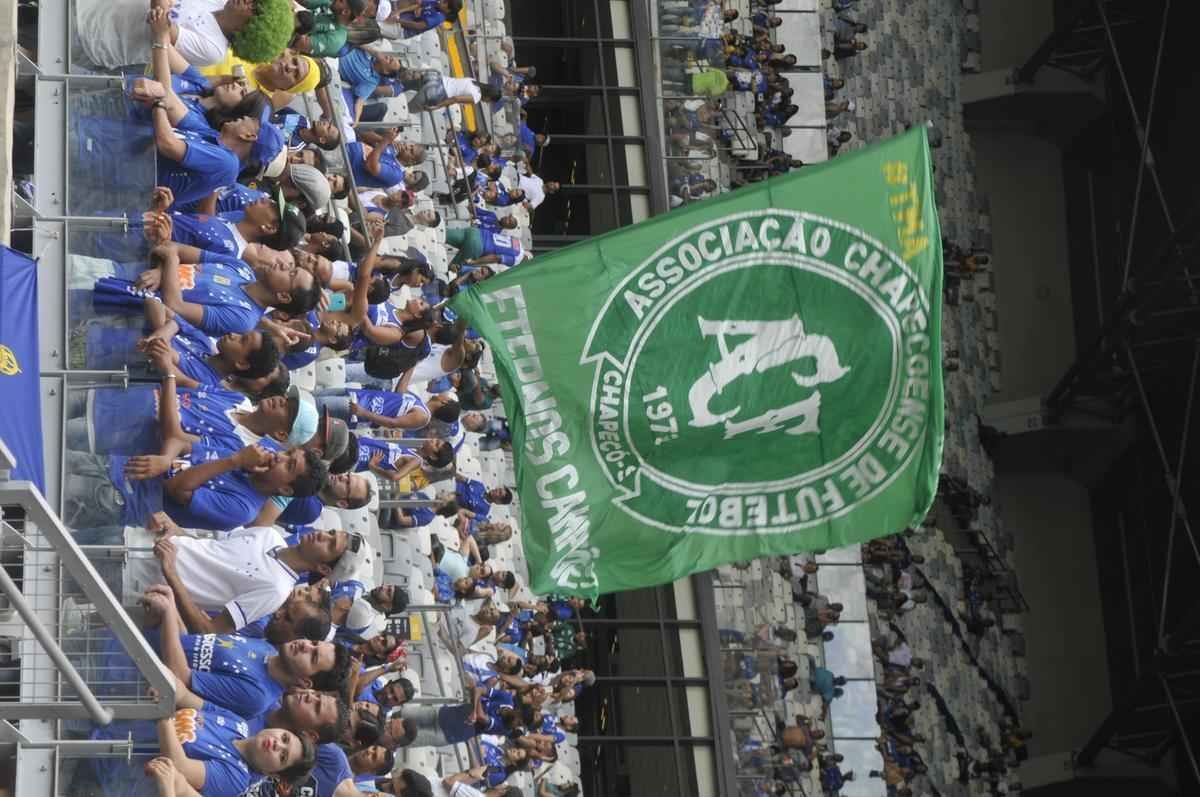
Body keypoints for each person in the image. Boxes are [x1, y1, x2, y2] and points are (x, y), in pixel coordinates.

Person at [145, 584, 351, 720]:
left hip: (138, 680)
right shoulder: (268, 647)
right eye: (314, 644)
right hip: (139, 649)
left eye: (313, 656)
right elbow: (190, 646)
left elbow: (180, 676)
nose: (306, 646)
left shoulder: (257, 695)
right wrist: (168, 614)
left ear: (305, 683)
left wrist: (170, 611)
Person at [130, 514, 358, 633]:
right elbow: (213, 550)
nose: (323, 536)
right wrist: (176, 529)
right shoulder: (271, 535)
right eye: (330, 533)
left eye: (330, 544)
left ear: (324, 569)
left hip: (137, 583)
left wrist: (171, 573)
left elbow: (208, 630)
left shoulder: (276, 590)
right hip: (140, 541)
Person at [76, 0, 295, 71]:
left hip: (93, 41)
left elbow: (161, 26)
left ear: (250, 30)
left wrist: (163, 13)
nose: (248, 1)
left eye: (254, 8)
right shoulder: (220, 1)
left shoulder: (213, 49)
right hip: (89, 6)